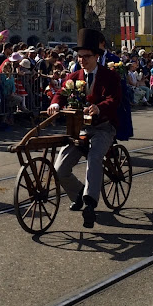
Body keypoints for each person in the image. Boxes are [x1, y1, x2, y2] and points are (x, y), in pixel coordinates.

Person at [47, 28, 122, 228]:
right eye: (79, 56)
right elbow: (61, 93)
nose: (82, 60)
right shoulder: (73, 76)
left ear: (97, 56)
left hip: (103, 127)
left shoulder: (109, 76)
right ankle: (78, 193)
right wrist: (55, 103)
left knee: (95, 158)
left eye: (86, 56)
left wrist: (99, 107)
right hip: (79, 129)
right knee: (59, 168)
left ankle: (90, 203)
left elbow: (114, 99)